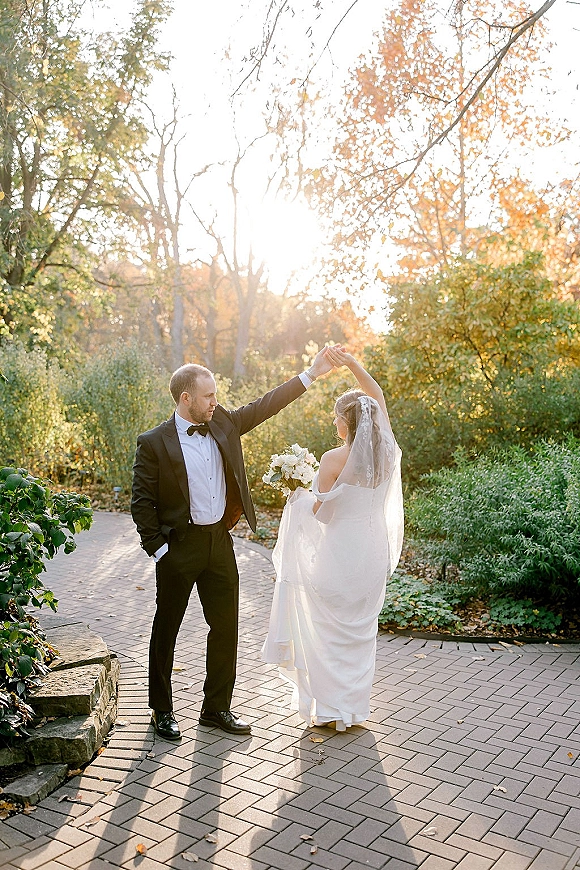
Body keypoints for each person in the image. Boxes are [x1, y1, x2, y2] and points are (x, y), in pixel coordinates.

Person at [131, 349, 335, 740]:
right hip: (179, 547)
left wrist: (312, 373)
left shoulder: (222, 422)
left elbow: (265, 405)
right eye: (208, 395)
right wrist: (159, 551)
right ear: (186, 398)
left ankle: (216, 708)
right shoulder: (154, 442)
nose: (215, 401)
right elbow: (141, 502)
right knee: (167, 628)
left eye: (216, 394)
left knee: (225, 627)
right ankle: (161, 710)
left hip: (219, 544)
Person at [261, 346, 404, 731]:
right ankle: (353, 709)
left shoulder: (332, 460)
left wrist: (298, 497)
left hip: (340, 553)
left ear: (346, 421)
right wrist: (354, 364)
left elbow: (323, 515)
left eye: (336, 417)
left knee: (326, 630)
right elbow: (379, 398)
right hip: (372, 553)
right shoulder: (388, 450)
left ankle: (327, 710)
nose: (333, 422)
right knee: (360, 633)